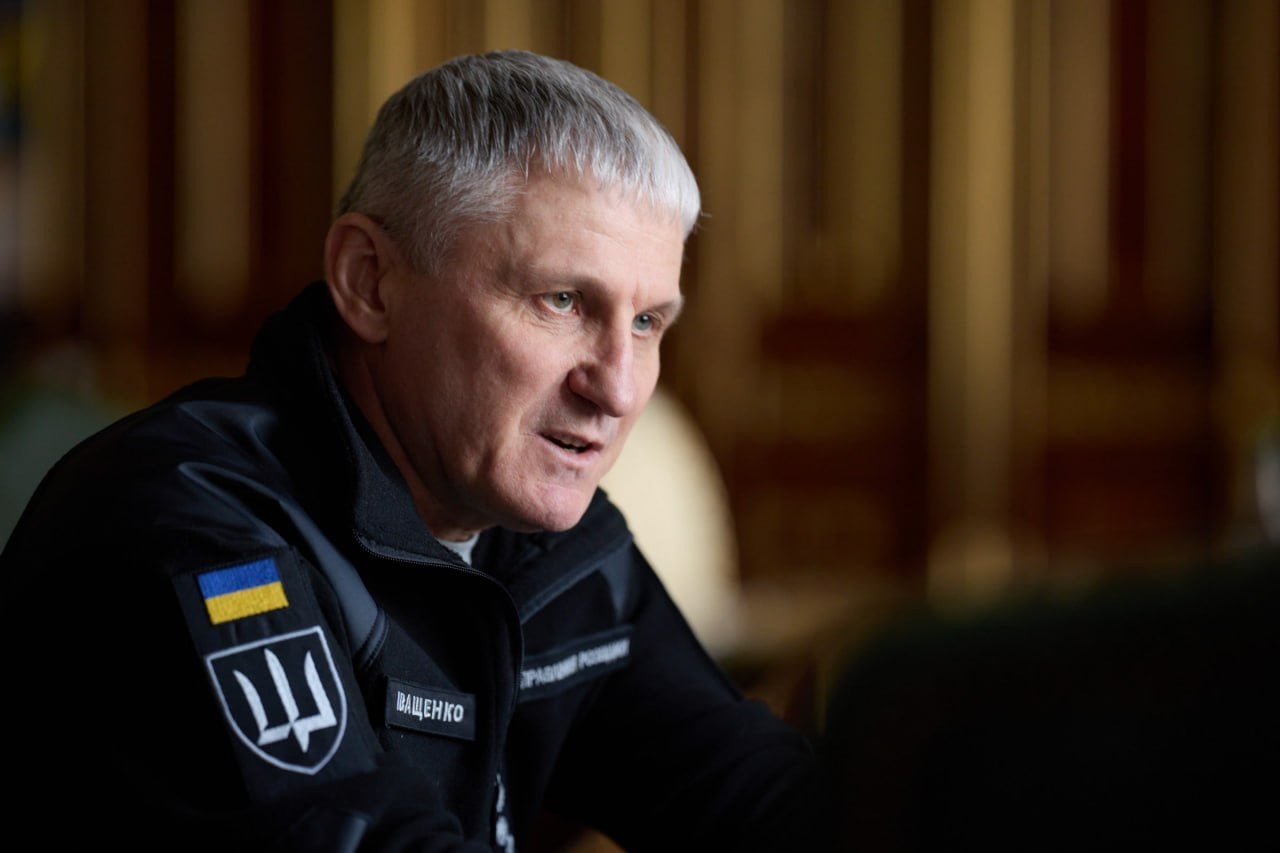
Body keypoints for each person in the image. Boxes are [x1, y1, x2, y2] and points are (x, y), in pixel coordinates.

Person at [0, 50, 829, 850]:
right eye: (562, 300)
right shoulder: (188, 523)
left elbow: (754, 797)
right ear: (370, 281)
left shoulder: (552, 545)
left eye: (646, 322)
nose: (616, 388)